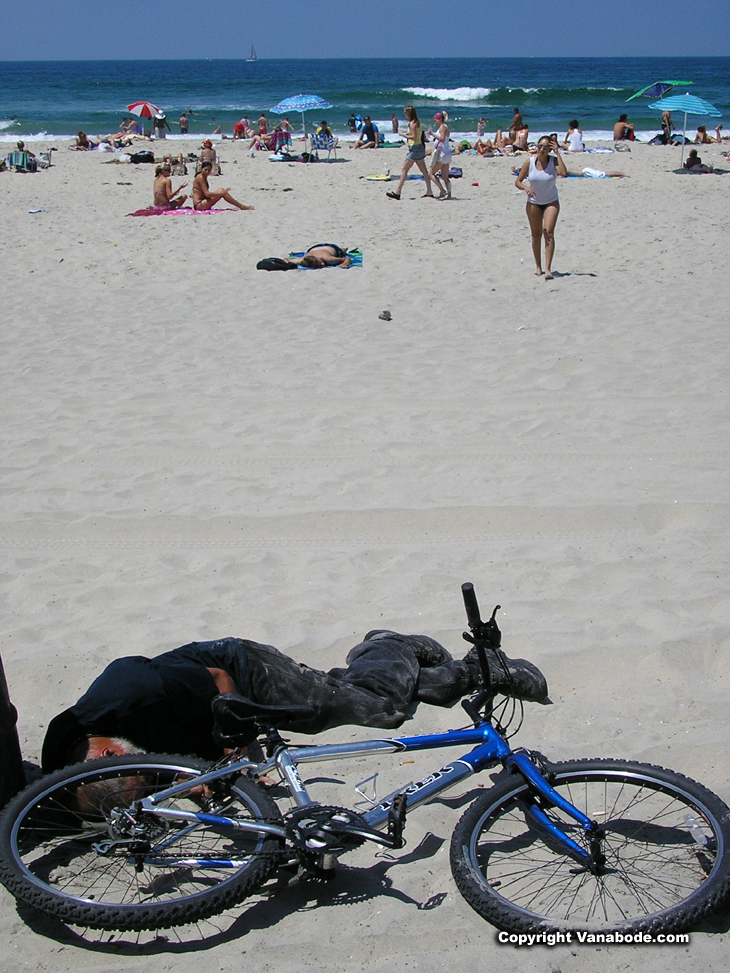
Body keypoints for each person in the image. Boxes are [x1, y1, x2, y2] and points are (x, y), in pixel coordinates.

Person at [41, 631, 548, 772]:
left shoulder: (129, 691)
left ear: (96, 747)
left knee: (380, 709)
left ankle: (396, 647)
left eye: (106, 760)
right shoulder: (106, 763)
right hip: (214, 706)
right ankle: (408, 665)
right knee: (344, 697)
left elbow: (218, 678)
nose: (119, 765)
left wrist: (238, 742)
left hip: (243, 670)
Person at [514, 133, 567, 280]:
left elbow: (563, 173)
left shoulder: (553, 161)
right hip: (534, 203)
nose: (542, 150)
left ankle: (548, 268)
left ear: (549, 149)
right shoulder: (530, 162)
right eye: (540, 146)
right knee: (536, 235)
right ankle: (538, 267)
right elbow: (518, 181)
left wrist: (557, 152)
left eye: (545, 147)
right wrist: (526, 188)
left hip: (551, 201)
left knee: (548, 232)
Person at [386, 105, 434, 200]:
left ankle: (398, 192)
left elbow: (414, 137)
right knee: (424, 171)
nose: (404, 114)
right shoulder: (417, 122)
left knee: (405, 169)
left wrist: (403, 135)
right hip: (419, 147)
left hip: (415, 149)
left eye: (405, 112)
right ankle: (429, 191)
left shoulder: (412, 124)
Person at [429, 112, 452, 199]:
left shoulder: (442, 127)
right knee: (445, 177)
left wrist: (432, 134)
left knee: (431, 173)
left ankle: (442, 190)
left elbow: (442, 139)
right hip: (447, 153)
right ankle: (449, 194)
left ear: (440, 119)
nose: (435, 122)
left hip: (443, 154)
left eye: (435, 121)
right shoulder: (445, 127)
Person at [285, 243, 353, 268]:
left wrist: (345, 264)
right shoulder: (303, 259)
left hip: (331, 247)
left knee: (341, 253)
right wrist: (288, 263)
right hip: (314, 247)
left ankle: (343, 249)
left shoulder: (328, 259)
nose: (323, 263)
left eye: (320, 262)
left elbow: (347, 259)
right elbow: (286, 259)